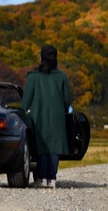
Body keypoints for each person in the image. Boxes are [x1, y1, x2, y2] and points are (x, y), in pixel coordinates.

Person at [21, 45, 72, 189]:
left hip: (38, 115)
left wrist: (23, 113)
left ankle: (42, 178)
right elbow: (67, 99)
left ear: (41, 57)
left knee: (41, 146)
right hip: (57, 116)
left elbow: (26, 100)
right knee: (54, 146)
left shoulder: (33, 76)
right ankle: (52, 179)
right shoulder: (62, 76)